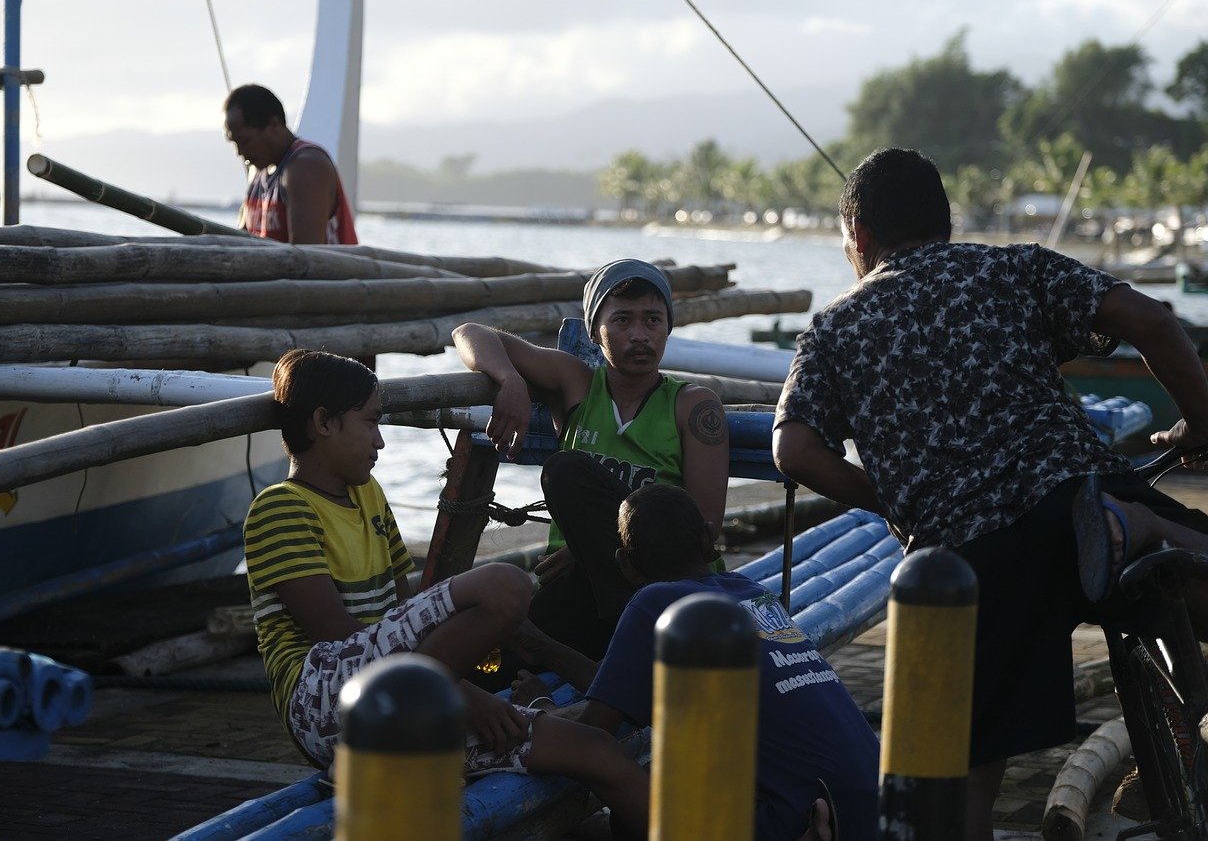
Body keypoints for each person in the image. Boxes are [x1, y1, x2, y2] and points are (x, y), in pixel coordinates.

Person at [771, 147, 1208, 840]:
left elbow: (792, 450)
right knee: (1180, 568)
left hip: (968, 556)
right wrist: (1202, 422)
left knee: (967, 769)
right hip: (1081, 495)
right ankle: (1148, 532)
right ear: (943, 221)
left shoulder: (833, 327)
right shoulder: (1013, 266)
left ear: (857, 232)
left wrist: (891, 498)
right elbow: (1153, 321)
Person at [243, 348, 652, 831]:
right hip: (324, 700)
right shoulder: (280, 509)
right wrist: (458, 692)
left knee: (595, 750)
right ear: (324, 423)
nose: (380, 441)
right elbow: (335, 634)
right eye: (370, 423)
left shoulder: (367, 493)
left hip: (401, 697)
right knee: (505, 586)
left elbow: (401, 612)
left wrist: (473, 670)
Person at [509, 483, 874, 840]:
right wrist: (542, 648)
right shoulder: (752, 591)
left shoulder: (654, 601)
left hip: (804, 821)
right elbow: (618, 687)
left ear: (624, 564)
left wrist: (539, 706)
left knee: (602, 761)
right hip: (870, 802)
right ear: (708, 538)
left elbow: (595, 728)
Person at [452, 258, 730, 662]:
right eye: (622, 321)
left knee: (568, 471)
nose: (639, 335)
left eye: (653, 320)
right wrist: (510, 380)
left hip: (667, 593)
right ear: (594, 331)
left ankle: (625, 653)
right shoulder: (577, 384)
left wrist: (595, 545)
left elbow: (704, 532)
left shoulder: (693, 405)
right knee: (484, 661)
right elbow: (469, 332)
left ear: (668, 328)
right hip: (580, 588)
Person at [223, 84, 358, 245]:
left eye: (245, 141)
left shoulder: (306, 167)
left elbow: (305, 257)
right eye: (234, 143)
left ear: (274, 125)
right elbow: (241, 241)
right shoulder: (257, 172)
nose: (239, 152)